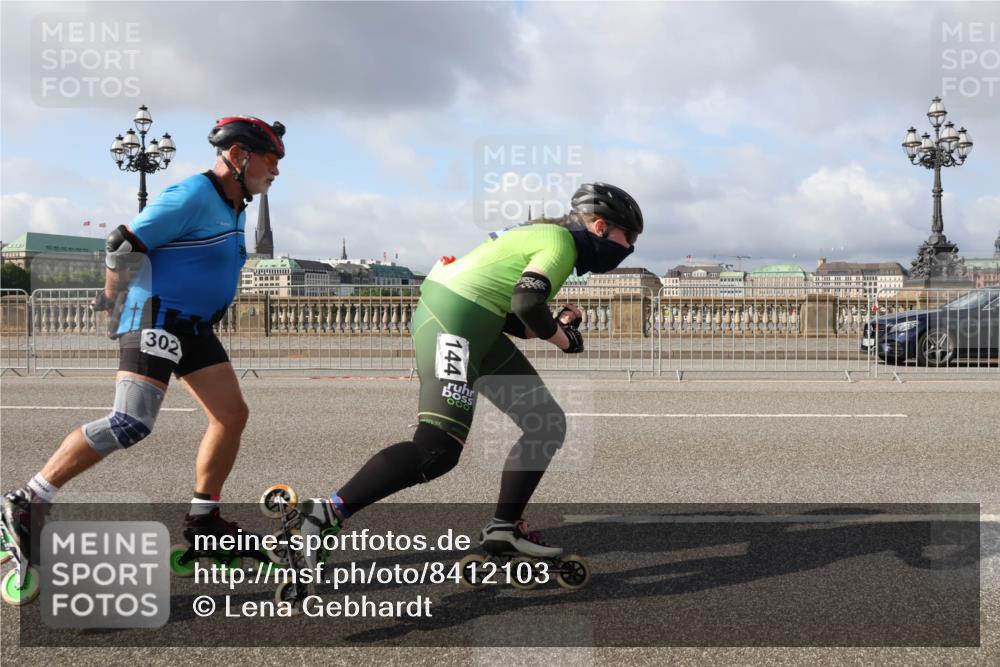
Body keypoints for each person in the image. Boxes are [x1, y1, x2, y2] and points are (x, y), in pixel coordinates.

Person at [0, 116, 285, 588]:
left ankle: (204, 521)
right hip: (155, 314)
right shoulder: (194, 194)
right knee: (131, 422)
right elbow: (122, 243)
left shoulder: (236, 205)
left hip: (192, 326)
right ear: (239, 156)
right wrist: (112, 301)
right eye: (270, 161)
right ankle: (29, 498)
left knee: (231, 415)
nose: (275, 172)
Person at [293, 182, 643, 564]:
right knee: (437, 448)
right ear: (600, 228)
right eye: (630, 238)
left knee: (545, 422)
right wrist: (566, 341)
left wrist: (558, 324)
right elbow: (527, 303)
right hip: (454, 321)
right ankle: (325, 514)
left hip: (477, 322)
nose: (630, 250)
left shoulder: (546, 238)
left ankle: (504, 529)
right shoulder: (561, 243)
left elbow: (520, 319)